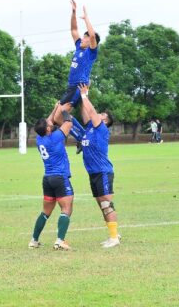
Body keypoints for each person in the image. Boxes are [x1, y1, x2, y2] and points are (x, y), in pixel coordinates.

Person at [70, 83, 120, 248]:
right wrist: (83, 94)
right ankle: (113, 233)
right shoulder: (91, 127)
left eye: (102, 114)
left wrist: (85, 95)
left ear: (104, 120)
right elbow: (86, 113)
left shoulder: (101, 128)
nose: (98, 113)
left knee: (106, 204)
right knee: (102, 205)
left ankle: (114, 238)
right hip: (93, 173)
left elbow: (91, 111)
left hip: (103, 171)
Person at [29, 105, 76, 251]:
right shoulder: (55, 137)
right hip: (59, 177)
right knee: (67, 207)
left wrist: (56, 108)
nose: (51, 123)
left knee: (45, 212)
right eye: (49, 124)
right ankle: (60, 241)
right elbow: (68, 123)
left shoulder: (39, 138)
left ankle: (34, 240)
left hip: (48, 179)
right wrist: (64, 110)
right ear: (48, 130)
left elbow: (48, 120)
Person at [57, 0, 100, 114]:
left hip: (79, 86)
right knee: (58, 115)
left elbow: (92, 36)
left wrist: (86, 19)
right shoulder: (78, 47)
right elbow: (74, 29)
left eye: (85, 37)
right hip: (71, 86)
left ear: (91, 42)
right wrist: (74, 12)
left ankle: (77, 127)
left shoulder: (91, 53)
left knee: (61, 113)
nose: (82, 38)